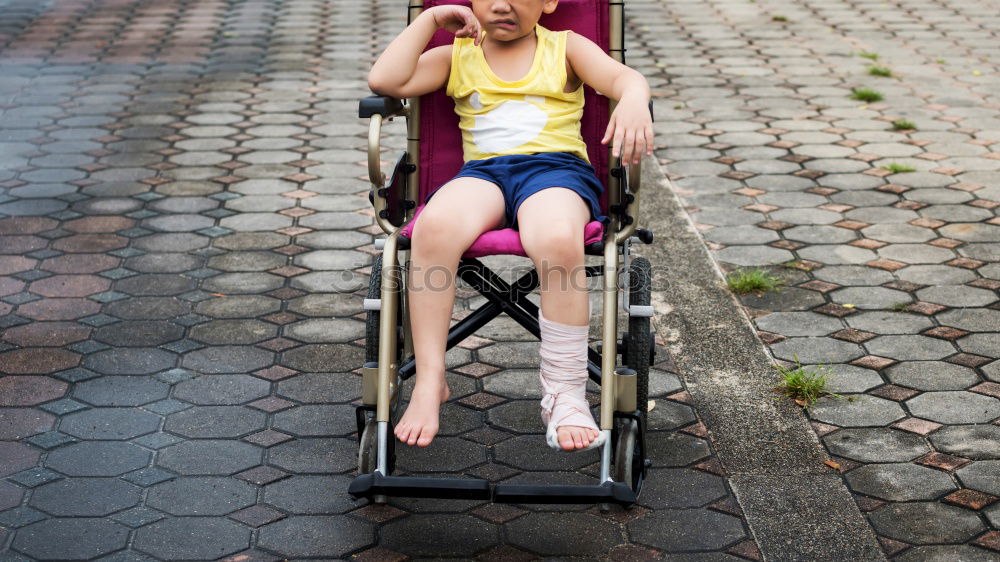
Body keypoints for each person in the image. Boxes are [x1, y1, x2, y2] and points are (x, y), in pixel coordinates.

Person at [367, 0, 652, 451]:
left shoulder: (565, 48)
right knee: (433, 228)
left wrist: (634, 98)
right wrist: (431, 20)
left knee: (557, 238)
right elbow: (386, 81)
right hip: (483, 174)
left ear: (549, 2)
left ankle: (564, 394)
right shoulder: (455, 54)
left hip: (555, 172)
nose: (502, 4)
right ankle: (429, 380)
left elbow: (622, 78)